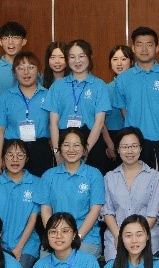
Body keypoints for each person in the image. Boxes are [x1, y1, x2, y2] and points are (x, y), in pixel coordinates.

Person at [112, 26, 159, 171]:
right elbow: (124, 110)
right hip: (134, 142)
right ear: (133, 48)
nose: (144, 49)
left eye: (149, 44)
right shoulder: (123, 79)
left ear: (157, 48)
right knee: (135, 181)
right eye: (139, 44)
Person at [45, 39, 114, 174]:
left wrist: (86, 150)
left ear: (90, 57)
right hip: (65, 143)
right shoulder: (57, 86)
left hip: (92, 140)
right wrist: (57, 152)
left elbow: (99, 122)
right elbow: (53, 123)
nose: (77, 61)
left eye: (81, 56)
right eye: (72, 57)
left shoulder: (99, 85)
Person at [37, 127, 106, 259]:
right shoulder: (49, 176)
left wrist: (77, 237)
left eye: (76, 145)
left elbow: (95, 211)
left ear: (84, 148)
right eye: (66, 145)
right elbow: (46, 210)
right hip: (56, 238)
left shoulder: (94, 175)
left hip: (86, 238)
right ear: (60, 148)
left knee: (76, 264)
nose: (71, 149)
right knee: (47, 265)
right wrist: (54, 236)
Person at [0, 139, 41, 268]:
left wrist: (19, 248)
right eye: (10, 155)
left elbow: (33, 219)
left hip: (26, 246)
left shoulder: (37, 183)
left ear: (27, 159)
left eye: (20, 155)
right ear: (3, 158)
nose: (15, 159)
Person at [0, 50, 55, 176]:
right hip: (13, 149)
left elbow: (53, 126)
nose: (26, 72)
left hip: (40, 148)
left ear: (38, 71)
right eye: (21, 68)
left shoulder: (48, 96)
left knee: (40, 184)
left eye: (31, 67)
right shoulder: (5, 98)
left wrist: (56, 152)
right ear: (14, 72)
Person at [102, 127, 159, 262]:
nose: (130, 151)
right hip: (116, 236)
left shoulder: (153, 176)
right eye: (125, 147)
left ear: (140, 148)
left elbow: (153, 214)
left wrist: (137, 236)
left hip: (147, 234)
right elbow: (108, 212)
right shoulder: (109, 177)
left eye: (134, 146)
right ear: (118, 149)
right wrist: (120, 236)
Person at [105, 45, 136, 158]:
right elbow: (100, 122)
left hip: (136, 136)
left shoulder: (138, 87)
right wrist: (110, 145)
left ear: (131, 62)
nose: (119, 63)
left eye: (123, 59)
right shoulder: (105, 89)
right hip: (112, 137)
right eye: (115, 59)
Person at [0, 22, 28, 95]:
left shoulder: (32, 68)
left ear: (24, 41)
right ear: (0, 42)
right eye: (5, 38)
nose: (10, 42)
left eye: (15, 37)